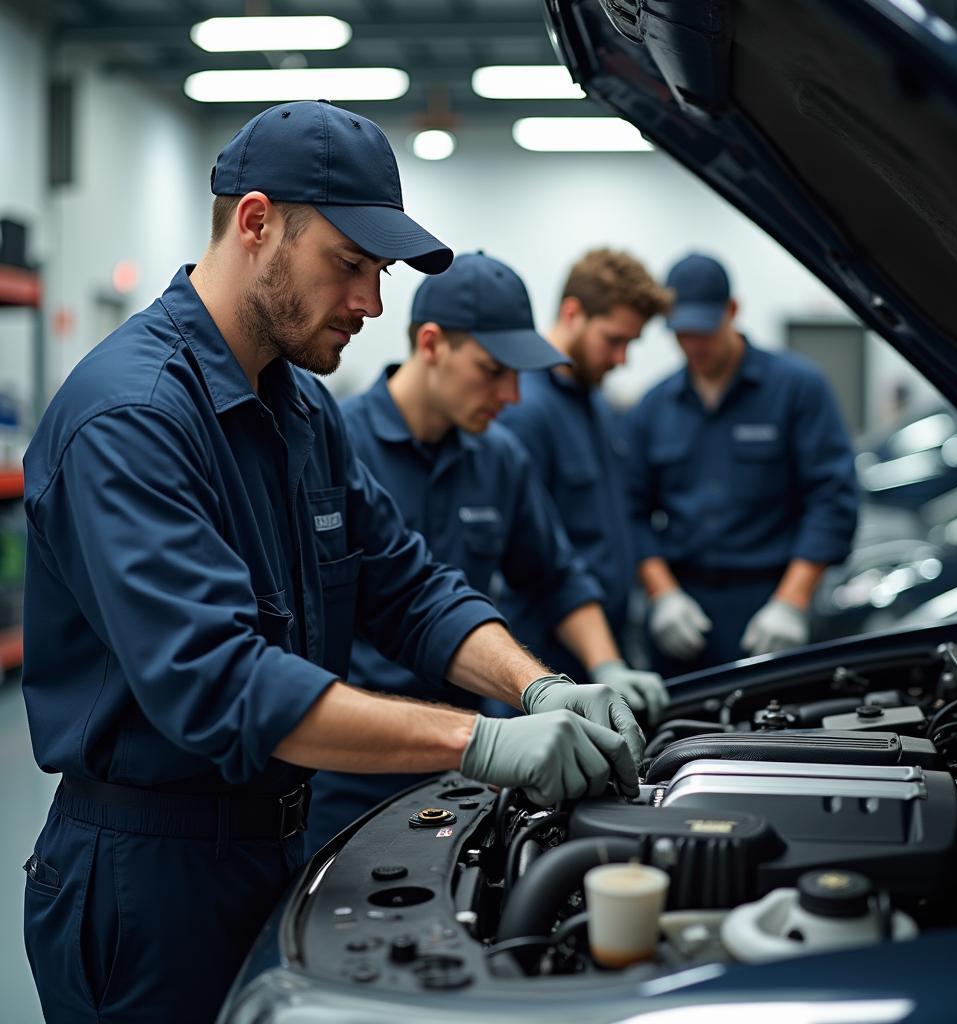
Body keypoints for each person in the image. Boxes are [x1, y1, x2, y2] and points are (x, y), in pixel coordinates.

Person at [19, 101, 643, 1024]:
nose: (372, 303)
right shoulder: (133, 418)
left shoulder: (302, 413)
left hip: (281, 848)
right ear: (257, 222)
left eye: (379, 272)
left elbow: (405, 583)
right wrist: (483, 742)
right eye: (349, 265)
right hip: (149, 875)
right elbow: (223, 684)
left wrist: (537, 688)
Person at [305, 251, 668, 850]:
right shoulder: (338, 447)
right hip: (352, 773)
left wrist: (605, 668)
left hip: (467, 768)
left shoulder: (499, 459)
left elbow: (554, 576)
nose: (512, 395)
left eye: (519, 375)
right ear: (431, 344)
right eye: (493, 370)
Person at [628, 252, 858, 672]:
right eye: (681, 333)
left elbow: (832, 499)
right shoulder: (654, 406)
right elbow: (631, 511)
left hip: (772, 599)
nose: (693, 345)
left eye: (704, 330)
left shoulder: (797, 389)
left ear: (732, 311)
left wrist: (792, 602)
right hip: (684, 608)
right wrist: (662, 595)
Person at [498, 248, 673, 680]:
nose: (622, 359)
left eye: (630, 344)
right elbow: (529, 561)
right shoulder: (524, 409)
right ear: (572, 312)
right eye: (614, 340)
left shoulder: (594, 401)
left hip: (603, 647)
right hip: (546, 658)